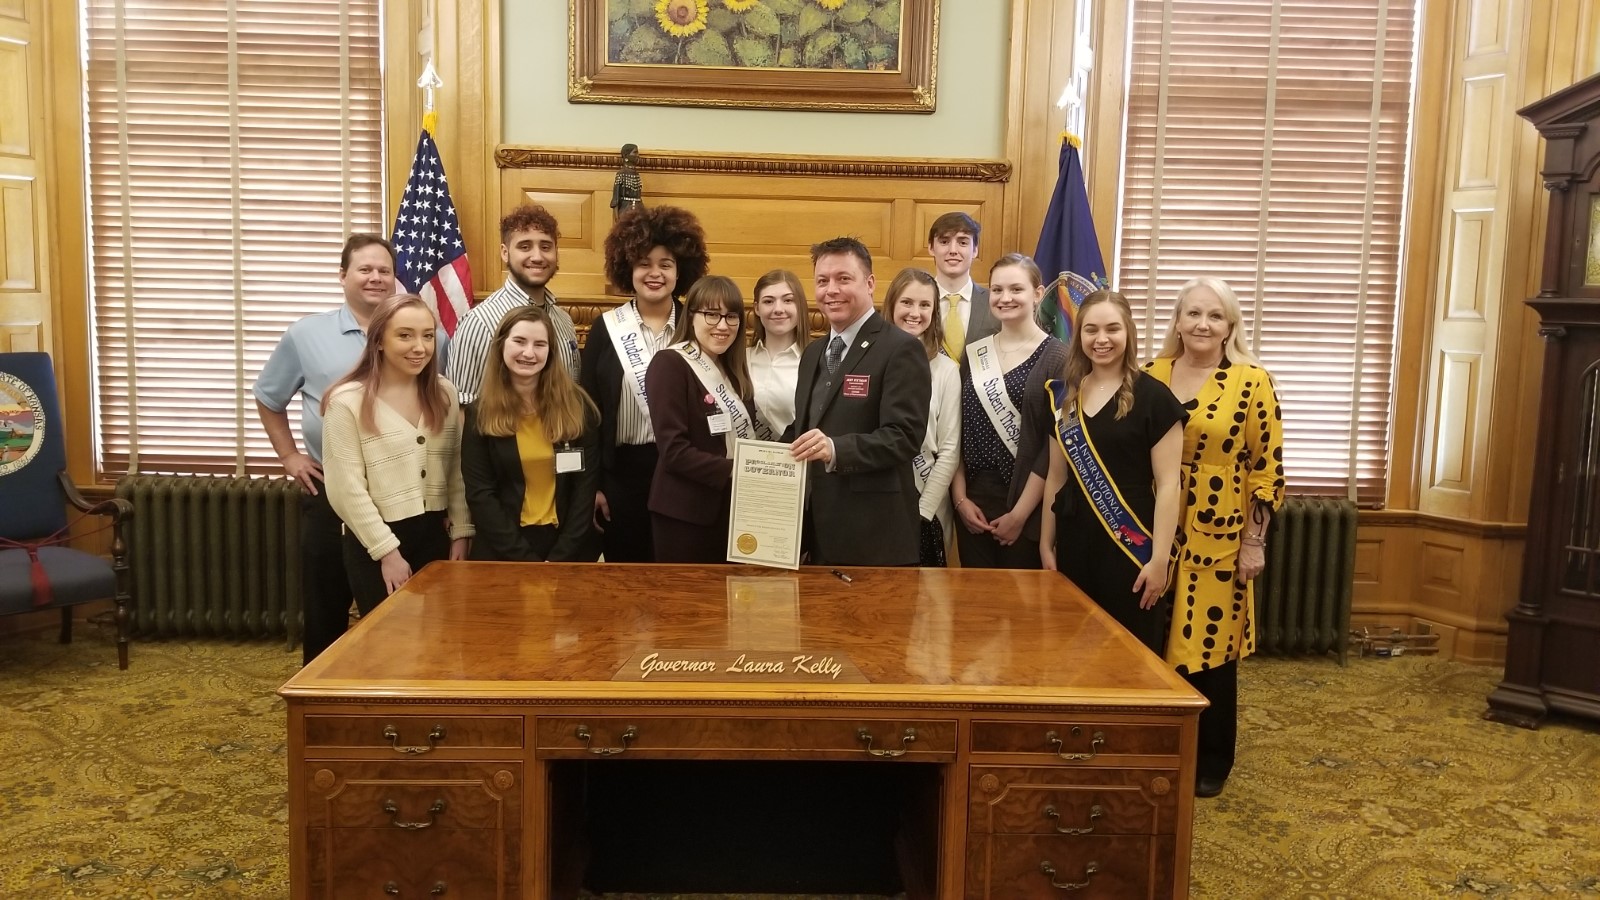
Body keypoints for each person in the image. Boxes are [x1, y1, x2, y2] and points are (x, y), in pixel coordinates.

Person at [254, 235, 433, 663]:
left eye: (384, 270)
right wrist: (289, 456)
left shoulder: (425, 335)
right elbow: (268, 397)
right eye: (364, 269)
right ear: (342, 275)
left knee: (402, 613)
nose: (375, 278)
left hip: (402, 496)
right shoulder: (306, 335)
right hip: (332, 489)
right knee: (326, 600)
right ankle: (321, 689)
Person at [1144, 276, 1285, 799]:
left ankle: (1211, 758)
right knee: (1152, 639)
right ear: (1178, 321)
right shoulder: (1149, 374)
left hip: (1219, 533)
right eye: (1193, 313)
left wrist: (1254, 542)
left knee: (1210, 647)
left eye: (1215, 315)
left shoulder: (1252, 381)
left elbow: (1267, 469)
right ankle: (1157, 747)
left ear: (1230, 326)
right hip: (1150, 526)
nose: (1202, 324)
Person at [1040, 289, 1185, 653]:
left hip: (1131, 544)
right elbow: (1056, 476)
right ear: (1079, 335)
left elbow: (1169, 485)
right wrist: (1045, 543)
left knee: (1131, 652)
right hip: (1075, 540)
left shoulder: (1155, 397)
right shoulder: (1063, 396)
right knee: (1074, 650)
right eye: (1091, 330)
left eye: (1112, 329)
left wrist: (1159, 560)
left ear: (1128, 332)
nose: (1101, 339)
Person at [322, 294, 473, 613]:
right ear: (379, 341)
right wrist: (387, 553)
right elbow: (346, 490)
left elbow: (456, 470)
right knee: (392, 636)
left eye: (427, 336)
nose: (420, 347)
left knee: (438, 633)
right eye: (405, 335)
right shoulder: (346, 402)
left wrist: (461, 531)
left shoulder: (444, 393)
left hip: (435, 535)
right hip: (376, 542)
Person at [789, 237, 931, 567]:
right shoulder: (812, 352)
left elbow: (904, 436)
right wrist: (755, 459)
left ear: (869, 283)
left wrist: (835, 449)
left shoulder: (901, 349)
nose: (831, 290)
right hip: (817, 534)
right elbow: (805, 428)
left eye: (843, 278)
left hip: (875, 537)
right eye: (822, 281)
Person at [581, 205, 710, 562]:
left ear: (681, 270)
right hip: (621, 478)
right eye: (643, 263)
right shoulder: (605, 329)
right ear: (628, 268)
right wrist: (594, 486)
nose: (655, 274)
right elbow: (588, 415)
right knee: (628, 578)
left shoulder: (698, 327)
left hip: (685, 473)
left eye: (665, 264)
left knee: (680, 572)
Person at [950, 254, 1068, 569]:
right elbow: (956, 428)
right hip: (972, 501)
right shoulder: (975, 352)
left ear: (1038, 293)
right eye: (997, 290)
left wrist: (1019, 515)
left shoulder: (1059, 358)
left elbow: (1052, 447)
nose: (1005, 298)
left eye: (1016, 289)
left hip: (1026, 504)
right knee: (974, 597)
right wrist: (960, 500)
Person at [460, 305, 601, 562]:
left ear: (551, 351)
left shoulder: (578, 408)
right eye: (519, 341)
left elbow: (584, 490)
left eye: (539, 344)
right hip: (503, 551)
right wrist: (526, 561)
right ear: (501, 345)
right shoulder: (479, 414)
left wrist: (559, 558)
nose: (529, 353)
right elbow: (480, 495)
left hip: (569, 549)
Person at [645, 276, 768, 563]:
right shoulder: (669, 364)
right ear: (691, 316)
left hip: (733, 511)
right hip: (684, 515)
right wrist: (737, 469)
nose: (723, 325)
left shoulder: (734, 372)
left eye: (731, 316)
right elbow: (674, 452)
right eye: (712, 314)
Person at [447, 204, 580, 403]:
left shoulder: (564, 321)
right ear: (505, 252)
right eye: (525, 247)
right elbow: (461, 404)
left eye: (545, 247)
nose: (537, 257)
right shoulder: (480, 322)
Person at [882, 267, 960, 566]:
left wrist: (922, 512)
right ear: (891, 305)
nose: (915, 313)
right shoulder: (869, 362)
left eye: (925, 304)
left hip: (928, 503)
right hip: (877, 500)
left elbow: (950, 450)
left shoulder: (946, 371)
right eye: (907, 302)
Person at [927, 212, 999, 364]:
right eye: (944, 241)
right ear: (931, 248)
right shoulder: (915, 302)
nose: (953, 250)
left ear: (975, 250)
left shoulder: (996, 302)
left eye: (963, 242)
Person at [747, 269, 810, 437]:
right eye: (768, 301)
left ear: (800, 306)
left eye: (788, 300)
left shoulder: (815, 364)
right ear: (757, 308)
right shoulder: (739, 360)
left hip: (792, 452)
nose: (778, 309)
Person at [611, 143, 643, 218]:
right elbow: (616, 199)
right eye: (635, 152)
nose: (637, 155)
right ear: (626, 156)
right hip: (625, 211)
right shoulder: (621, 174)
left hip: (638, 211)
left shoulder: (637, 174)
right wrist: (617, 218)